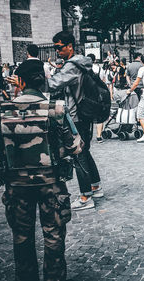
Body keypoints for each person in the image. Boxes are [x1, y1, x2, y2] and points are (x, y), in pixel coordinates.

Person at [1, 57, 82, 281]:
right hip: (51, 184)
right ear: (45, 79)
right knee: (54, 237)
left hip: (16, 186)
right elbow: (75, 146)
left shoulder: (2, 109)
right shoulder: (55, 109)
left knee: (21, 237)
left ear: (19, 81)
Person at [42, 31, 103, 210]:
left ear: (70, 46)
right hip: (86, 113)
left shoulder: (72, 66)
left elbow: (51, 85)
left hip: (76, 116)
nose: (57, 51)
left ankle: (86, 198)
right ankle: (95, 186)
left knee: (78, 154)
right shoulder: (82, 62)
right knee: (85, 151)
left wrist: (27, 82)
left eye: (59, 47)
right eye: (55, 48)